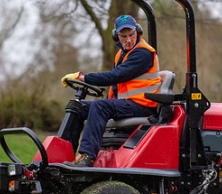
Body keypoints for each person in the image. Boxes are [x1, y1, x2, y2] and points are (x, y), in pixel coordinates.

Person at [61, 15, 161, 167]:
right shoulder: (121, 54)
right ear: (117, 36)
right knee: (76, 107)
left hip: (143, 105)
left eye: (131, 35)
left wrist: (84, 78)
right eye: (124, 36)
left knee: (99, 106)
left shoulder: (143, 53)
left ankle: (87, 157)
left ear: (138, 32)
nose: (128, 40)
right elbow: (117, 85)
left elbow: (116, 76)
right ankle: (66, 155)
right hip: (127, 104)